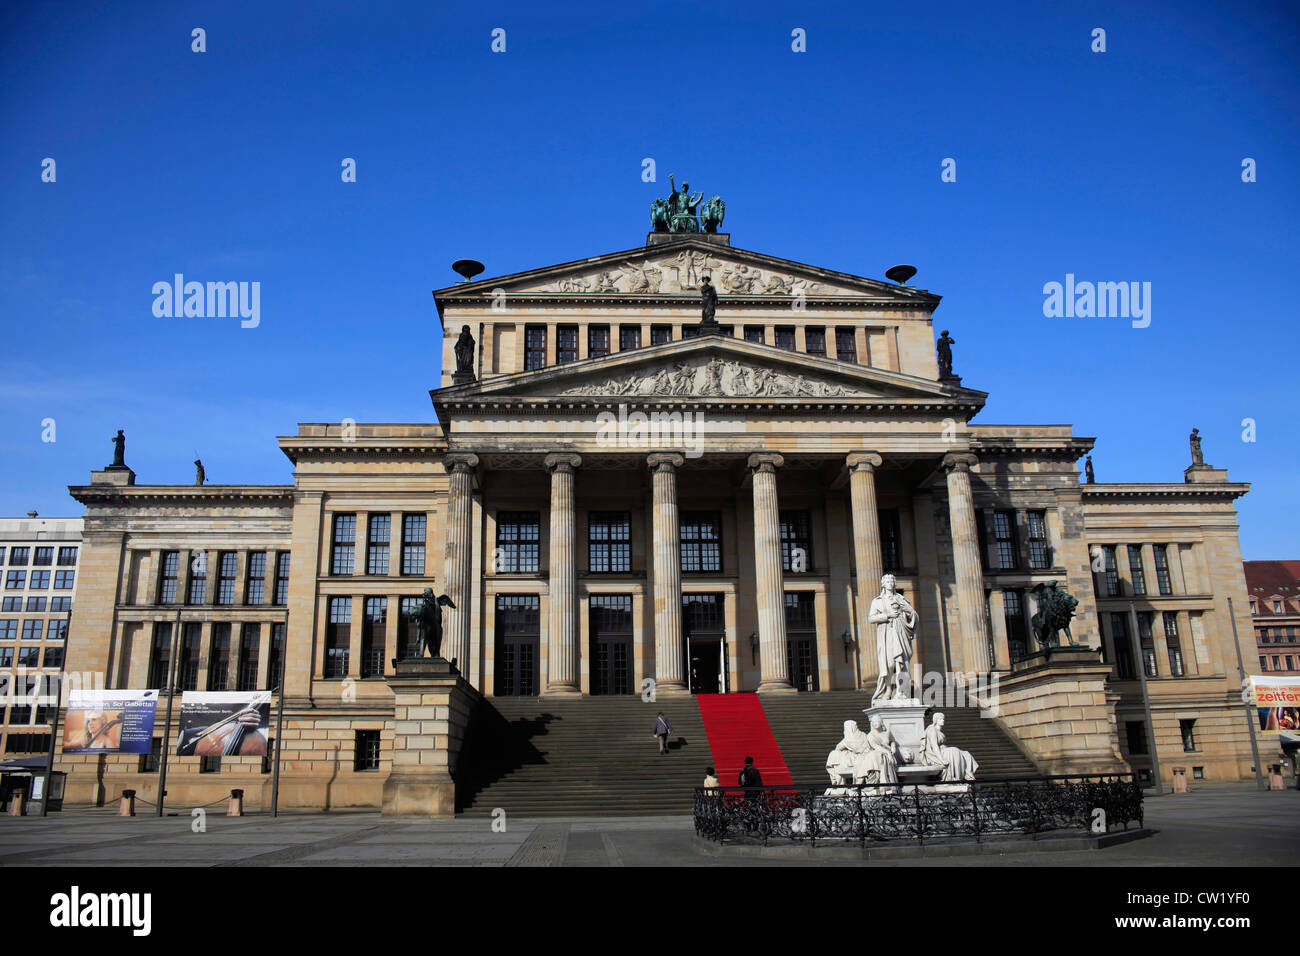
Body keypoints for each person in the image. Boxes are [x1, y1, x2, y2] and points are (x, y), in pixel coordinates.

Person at [920, 713, 979, 782]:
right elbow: (935, 746)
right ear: (936, 720)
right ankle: (955, 778)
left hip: (944, 750)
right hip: (937, 753)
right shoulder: (932, 730)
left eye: (943, 719)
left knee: (966, 753)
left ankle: (968, 775)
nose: (943, 720)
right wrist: (942, 760)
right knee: (953, 751)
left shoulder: (939, 731)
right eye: (940, 719)